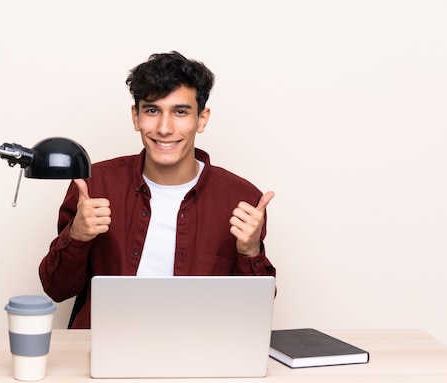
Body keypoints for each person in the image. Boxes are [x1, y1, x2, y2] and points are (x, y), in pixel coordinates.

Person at [39, 51, 275, 328]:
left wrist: (250, 252)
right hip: (106, 345)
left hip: (197, 351)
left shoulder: (241, 200)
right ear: (135, 117)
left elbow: (254, 313)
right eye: (152, 110)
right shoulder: (94, 185)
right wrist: (76, 236)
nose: (164, 128)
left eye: (180, 112)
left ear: (202, 118)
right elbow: (57, 289)